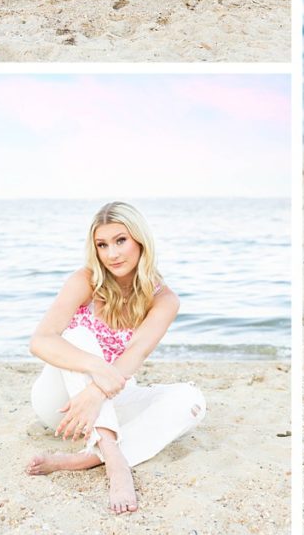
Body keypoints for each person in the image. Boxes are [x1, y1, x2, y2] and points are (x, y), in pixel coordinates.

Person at [25, 202, 205, 513]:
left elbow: (137, 352)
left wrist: (97, 392)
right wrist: (95, 368)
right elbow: (40, 340)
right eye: (102, 245)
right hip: (62, 404)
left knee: (192, 402)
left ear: (139, 241)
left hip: (103, 401)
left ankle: (87, 458)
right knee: (79, 337)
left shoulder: (164, 300)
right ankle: (114, 460)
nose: (112, 254)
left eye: (120, 240)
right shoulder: (85, 280)